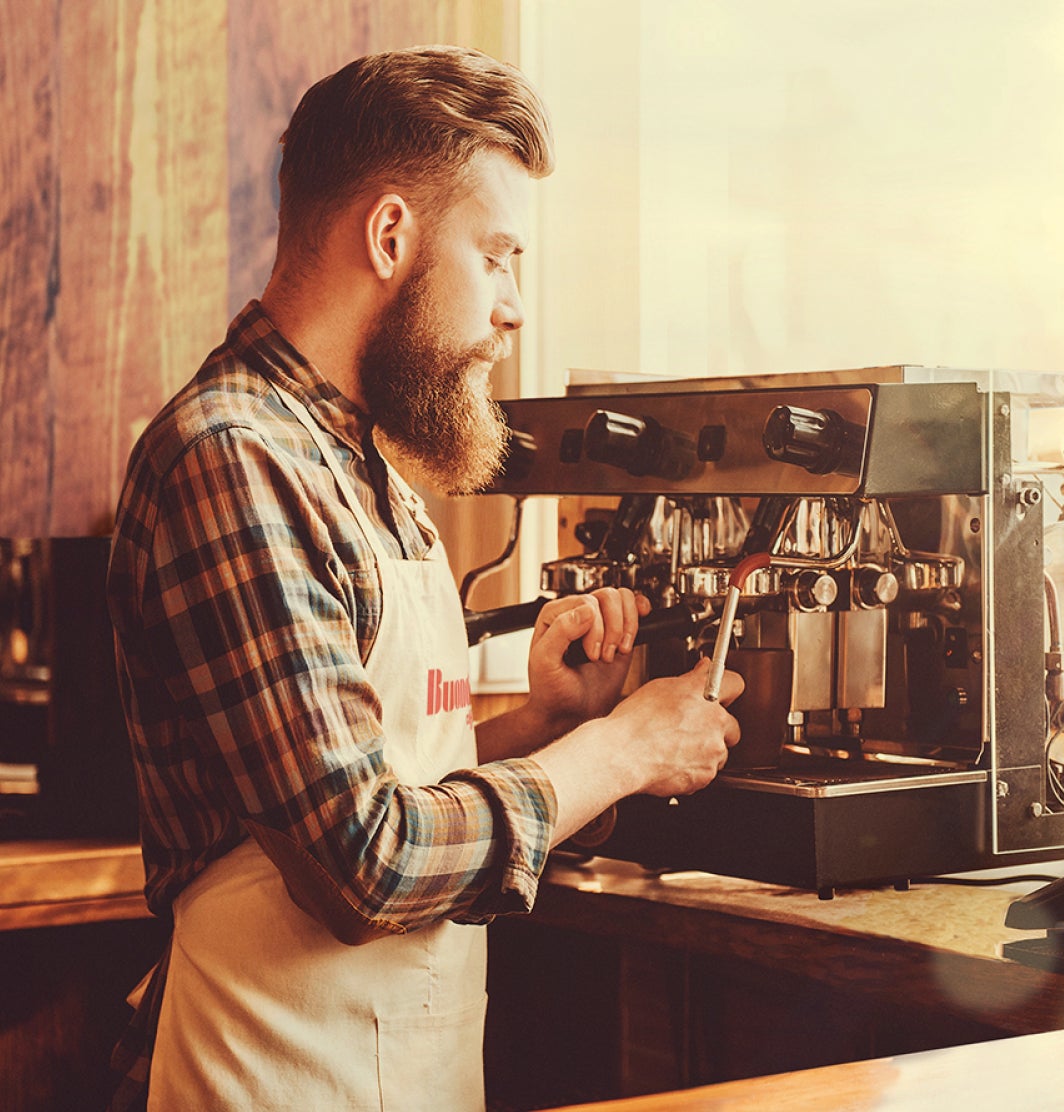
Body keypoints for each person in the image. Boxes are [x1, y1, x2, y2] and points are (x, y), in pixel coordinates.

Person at [106, 45, 743, 1111]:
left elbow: (376, 775)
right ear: (391, 236)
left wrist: (545, 725)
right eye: (497, 257)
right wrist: (620, 751)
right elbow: (364, 861)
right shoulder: (235, 457)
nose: (515, 307)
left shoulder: (366, 469)